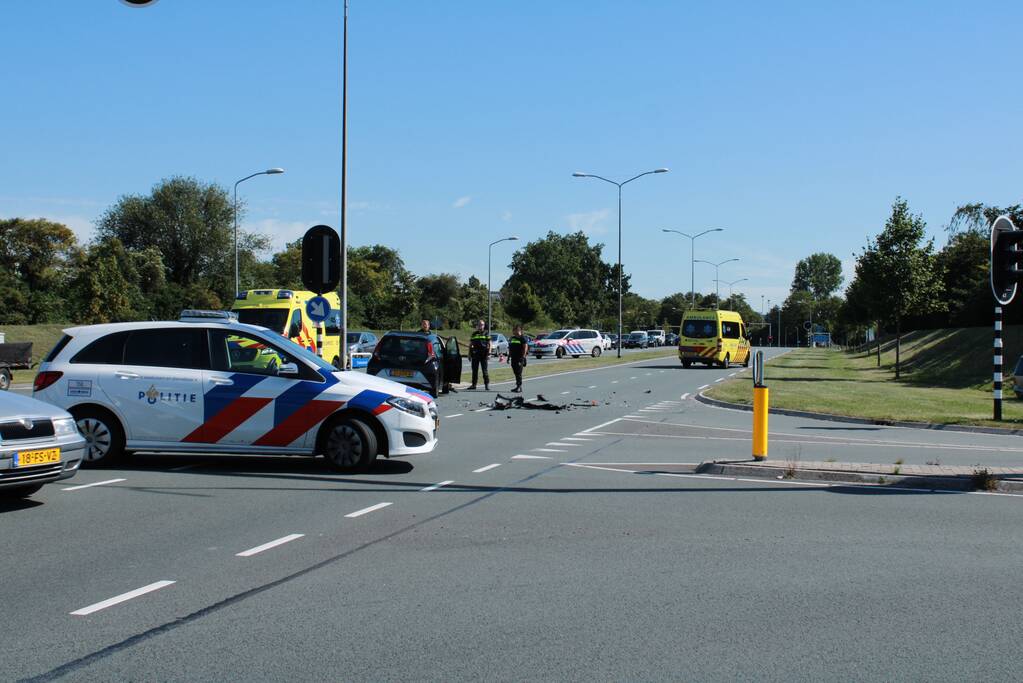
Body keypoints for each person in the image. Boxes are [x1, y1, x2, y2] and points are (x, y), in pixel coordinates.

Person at [468, 319, 490, 390]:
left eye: (482, 324)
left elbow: (490, 344)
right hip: (475, 354)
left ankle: (486, 385)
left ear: (484, 326)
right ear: (477, 325)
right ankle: (474, 385)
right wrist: (469, 354)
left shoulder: (486, 333)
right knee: (474, 370)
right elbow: (471, 344)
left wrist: (489, 353)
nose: (480, 326)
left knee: (484, 371)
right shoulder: (474, 334)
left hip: (484, 354)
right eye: (479, 324)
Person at [508, 324, 527, 393]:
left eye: (517, 330)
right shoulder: (512, 338)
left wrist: (523, 357)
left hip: (520, 358)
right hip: (513, 358)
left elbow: (525, 347)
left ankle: (519, 386)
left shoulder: (522, 338)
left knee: (519, 372)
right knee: (516, 372)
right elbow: (510, 348)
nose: (515, 331)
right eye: (514, 330)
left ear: (520, 331)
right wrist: (508, 357)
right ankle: (518, 386)